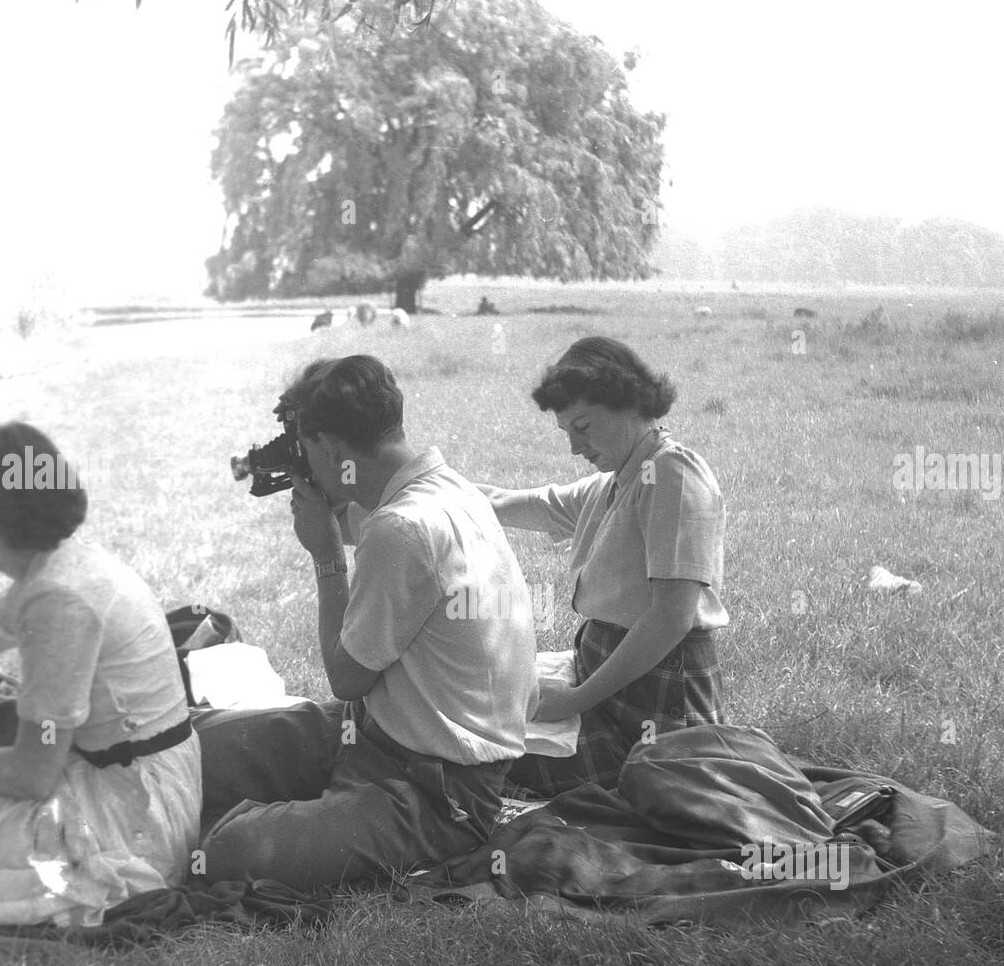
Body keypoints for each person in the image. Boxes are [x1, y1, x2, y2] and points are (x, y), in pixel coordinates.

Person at [195, 354, 538, 891]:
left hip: (436, 791)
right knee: (197, 747)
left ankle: (299, 813)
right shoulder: (447, 491)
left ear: (331, 447)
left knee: (229, 849)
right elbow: (368, 520)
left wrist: (326, 557)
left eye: (308, 451)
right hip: (378, 734)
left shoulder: (401, 529)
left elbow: (347, 677)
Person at [478, 336, 728, 796]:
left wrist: (574, 700)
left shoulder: (672, 474)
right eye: (567, 432)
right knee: (485, 724)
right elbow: (526, 504)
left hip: (659, 712)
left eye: (584, 426)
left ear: (629, 404)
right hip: (613, 692)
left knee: (485, 757)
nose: (575, 447)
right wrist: (428, 488)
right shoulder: (618, 481)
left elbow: (671, 618)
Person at [0, 422, 202, 927]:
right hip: (132, 778)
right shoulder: (59, 565)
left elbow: (31, 773)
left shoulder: (58, 596)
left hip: (133, 814)